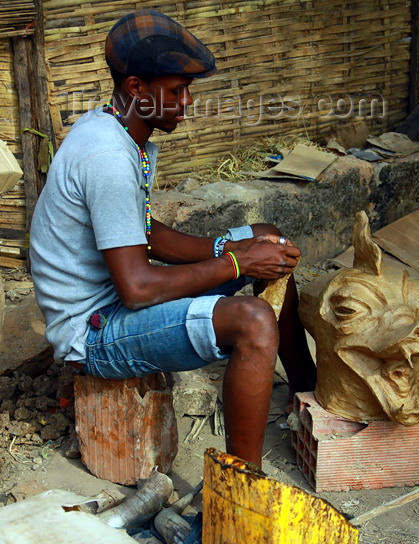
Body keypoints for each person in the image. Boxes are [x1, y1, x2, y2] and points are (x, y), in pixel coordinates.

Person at [30, 9, 316, 469]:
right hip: (95, 330)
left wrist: (237, 248)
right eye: (176, 91)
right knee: (253, 321)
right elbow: (138, 288)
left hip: (119, 301)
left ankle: (308, 395)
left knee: (269, 239)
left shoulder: (117, 129)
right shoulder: (106, 157)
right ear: (136, 88)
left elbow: (141, 232)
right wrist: (238, 266)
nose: (186, 103)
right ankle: (243, 490)